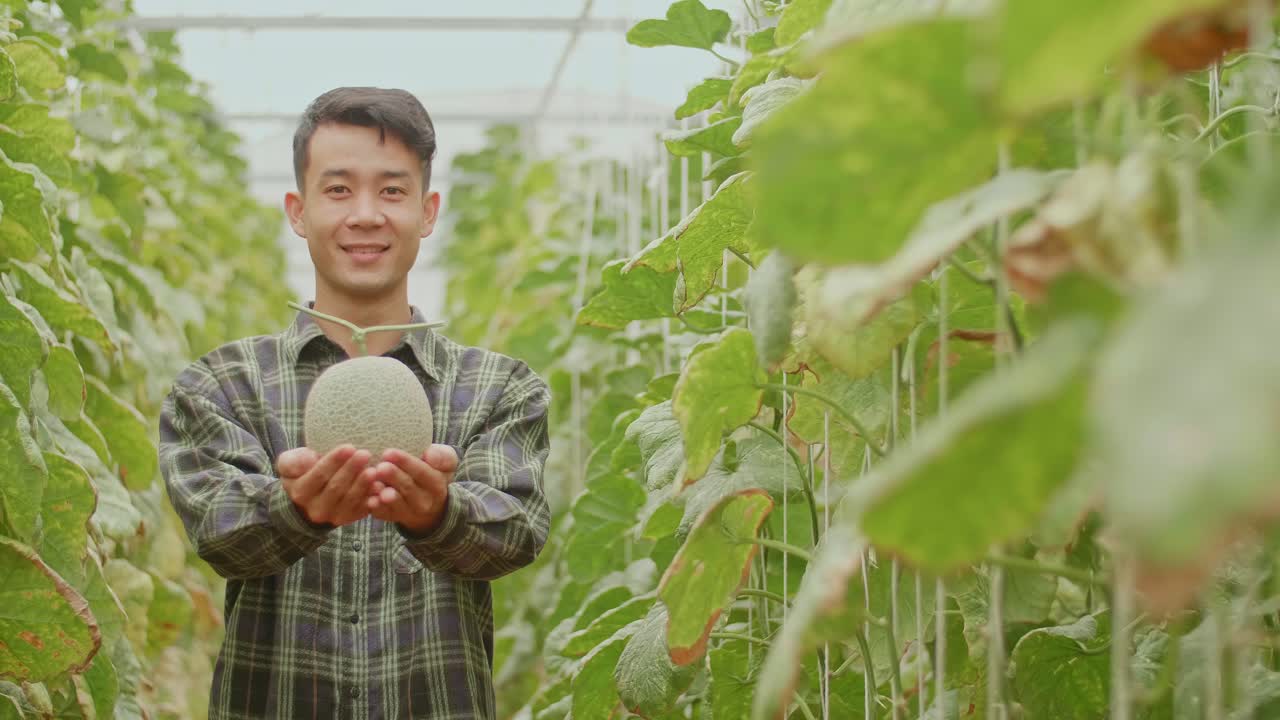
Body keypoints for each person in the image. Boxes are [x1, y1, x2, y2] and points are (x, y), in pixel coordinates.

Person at [158, 86, 551, 719]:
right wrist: (293, 509)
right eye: (338, 189)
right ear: (297, 209)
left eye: (392, 191)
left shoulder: (500, 387)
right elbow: (219, 536)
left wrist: (437, 514)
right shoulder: (221, 383)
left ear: (427, 212)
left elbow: (515, 535)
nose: (366, 214)